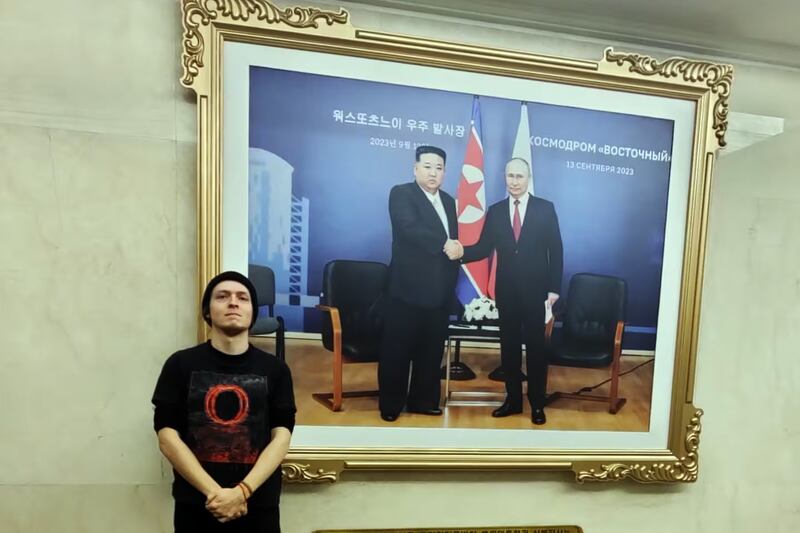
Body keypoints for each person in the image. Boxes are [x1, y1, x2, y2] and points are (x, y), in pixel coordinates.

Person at [152, 271, 296, 532]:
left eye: (243, 298)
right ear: (207, 311)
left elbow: (282, 438)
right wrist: (216, 494)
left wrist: (242, 492)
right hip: (198, 505)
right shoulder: (180, 364)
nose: (233, 302)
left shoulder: (276, 370)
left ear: (253, 312)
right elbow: (167, 437)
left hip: (258, 505)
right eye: (222, 296)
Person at [458, 158, 562, 425]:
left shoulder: (545, 209)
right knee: (510, 350)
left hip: (537, 292)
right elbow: (482, 249)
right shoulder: (495, 211)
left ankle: (537, 404)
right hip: (506, 292)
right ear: (505, 177)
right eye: (510, 176)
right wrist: (459, 253)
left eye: (519, 176)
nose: (514, 181)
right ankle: (513, 401)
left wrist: (554, 289)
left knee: (537, 351)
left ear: (528, 178)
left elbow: (556, 250)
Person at [378, 145, 462, 422]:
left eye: (439, 168)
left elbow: (453, 250)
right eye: (427, 166)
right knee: (397, 351)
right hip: (407, 290)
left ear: (444, 173)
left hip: (439, 294)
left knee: (431, 352)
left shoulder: (449, 201)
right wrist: (444, 244)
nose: (433, 173)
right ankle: (391, 405)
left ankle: (423, 402)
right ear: (415, 168)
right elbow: (408, 228)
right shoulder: (401, 193)